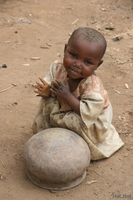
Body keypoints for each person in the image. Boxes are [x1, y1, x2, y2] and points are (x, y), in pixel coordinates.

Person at [32, 27, 124, 160]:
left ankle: (72, 145)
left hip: (89, 119)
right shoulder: (57, 68)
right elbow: (47, 88)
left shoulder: (93, 86)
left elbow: (88, 113)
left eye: (87, 62)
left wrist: (67, 96)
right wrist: (46, 92)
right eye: (73, 55)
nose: (77, 64)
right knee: (47, 103)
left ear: (98, 65)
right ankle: (50, 133)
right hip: (65, 109)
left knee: (76, 123)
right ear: (65, 50)